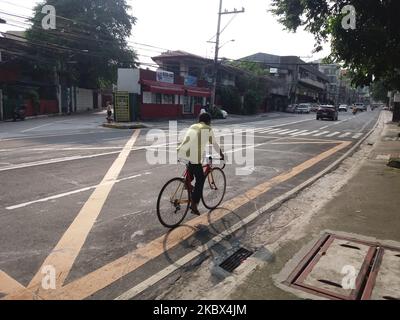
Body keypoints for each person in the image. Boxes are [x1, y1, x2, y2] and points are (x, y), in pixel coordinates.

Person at [177, 112, 224, 215]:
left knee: (192, 172)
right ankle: (194, 205)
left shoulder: (193, 126)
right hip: (193, 156)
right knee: (201, 179)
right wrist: (222, 155)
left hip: (181, 152)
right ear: (209, 121)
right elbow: (214, 144)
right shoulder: (207, 128)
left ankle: (187, 184)